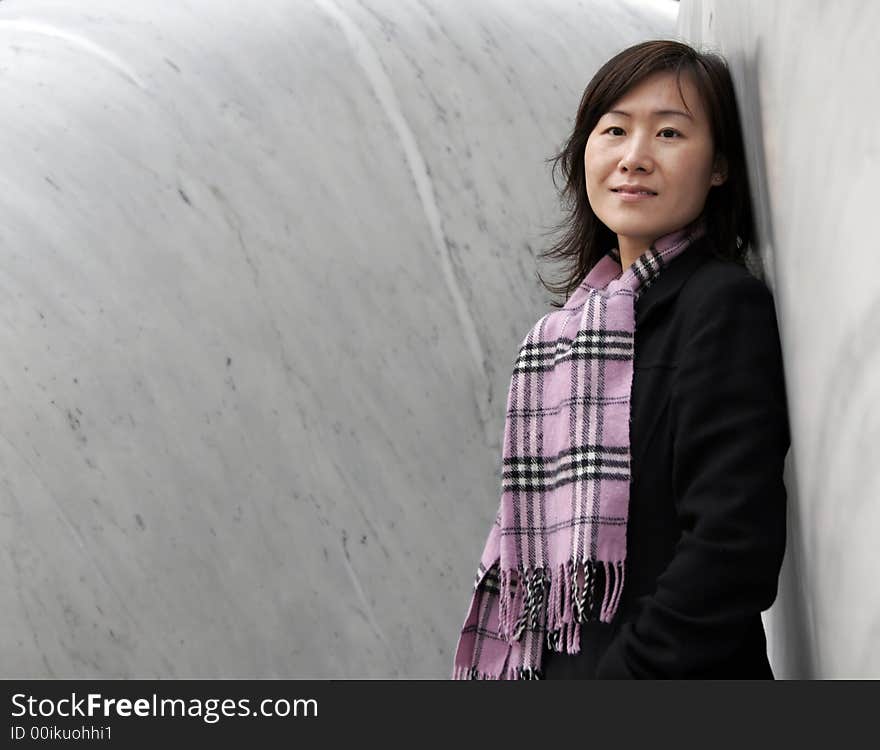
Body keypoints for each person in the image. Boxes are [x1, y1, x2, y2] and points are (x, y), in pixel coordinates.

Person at [452, 39, 789, 679]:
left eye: (668, 132)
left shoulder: (720, 307)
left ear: (718, 167)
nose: (634, 157)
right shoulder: (563, 337)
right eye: (614, 130)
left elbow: (732, 546)